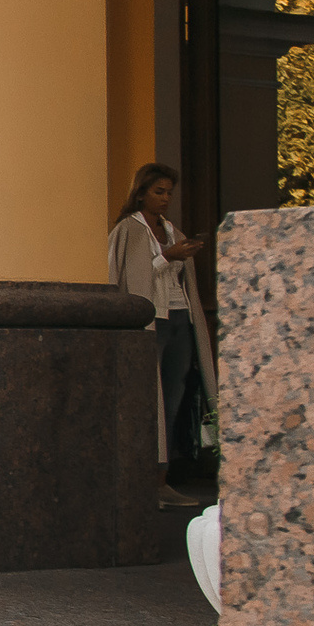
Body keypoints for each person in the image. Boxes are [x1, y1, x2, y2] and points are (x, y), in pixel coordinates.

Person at [109, 163, 217, 508]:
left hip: (178, 315)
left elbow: (183, 282)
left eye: (170, 192)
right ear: (141, 193)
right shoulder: (129, 230)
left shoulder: (173, 231)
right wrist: (166, 257)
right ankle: (144, 481)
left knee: (172, 399)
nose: (166, 198)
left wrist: (180, 253)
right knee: (149, 399)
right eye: (159, 191)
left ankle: (163, 479)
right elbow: (126, 277)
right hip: (149, 319)